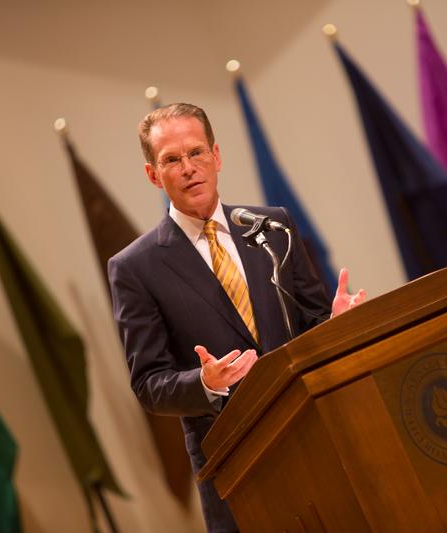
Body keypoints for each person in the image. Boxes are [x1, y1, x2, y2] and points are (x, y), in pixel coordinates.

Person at [108, 103, 365, 532]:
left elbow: (311, 326)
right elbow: (149, 384)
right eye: (172, 159)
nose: (189, 168)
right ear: (153, 174)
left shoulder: (273, 226)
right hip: (235, 461)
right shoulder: (135, 268)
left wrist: (336, 327)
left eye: (196, 153)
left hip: (316, 434)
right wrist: (205, 384)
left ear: (217, 156)